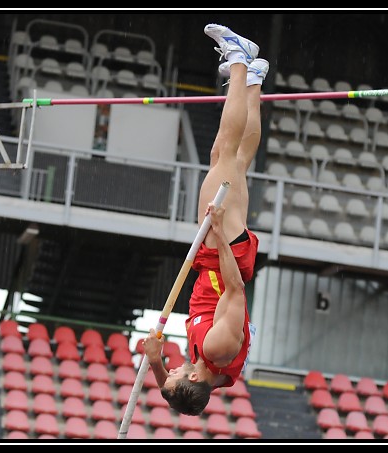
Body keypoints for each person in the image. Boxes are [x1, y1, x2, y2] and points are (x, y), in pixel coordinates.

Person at [143, 23, 269, 416]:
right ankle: (238, 60)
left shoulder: (210, 367)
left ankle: (253, 80)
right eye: (176, 373)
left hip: (219, 254)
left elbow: (171, 388)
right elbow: (235, 290)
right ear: (194, 378)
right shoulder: (217, 349)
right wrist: (216, 229)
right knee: (225, 151)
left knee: (236, 161)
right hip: (221, 255)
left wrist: (155, 363)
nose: (173, 369)